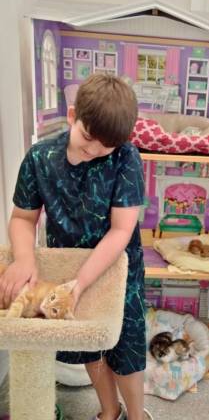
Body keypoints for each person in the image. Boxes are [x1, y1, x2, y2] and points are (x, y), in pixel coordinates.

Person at [0, 73, 152, 420]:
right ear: (72, 116)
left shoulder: (126, 158)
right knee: (89, 348)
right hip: (66, 264)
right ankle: (109, 411)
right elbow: (23, 218)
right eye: (87, 138)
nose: (95, 151)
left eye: (106, 146)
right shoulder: (40, 157)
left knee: (126, 348)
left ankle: (138, 415)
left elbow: (121, 230)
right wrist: (24, 258)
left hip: (117, 269)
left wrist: (81, 284)